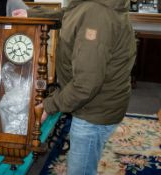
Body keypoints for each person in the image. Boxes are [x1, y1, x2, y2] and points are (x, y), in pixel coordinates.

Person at [13, 0, 136, 175]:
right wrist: (34, 14)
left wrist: (49, 105)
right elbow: (70, 14)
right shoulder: (91, 6)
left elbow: (85, 85)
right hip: (100, 103)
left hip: (94, 112)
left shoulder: (96, 15)